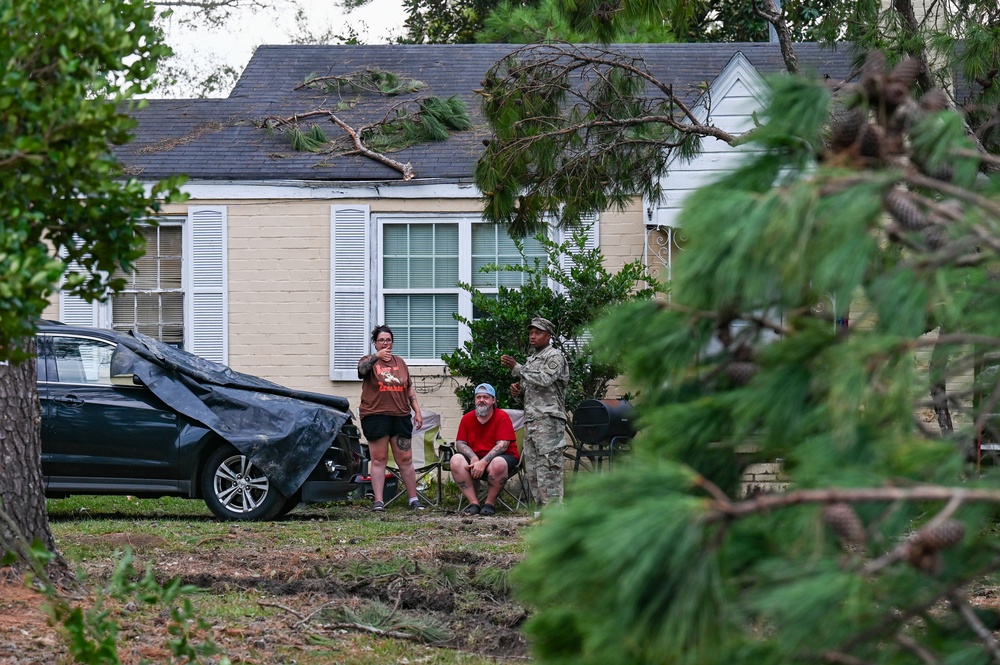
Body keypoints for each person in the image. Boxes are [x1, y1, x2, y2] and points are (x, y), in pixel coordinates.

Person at [501, 316, 569, 508]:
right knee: (532, 468)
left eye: (538, 333)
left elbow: (546, 379)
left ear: (548, 335)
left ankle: (554, 513)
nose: (533, 336)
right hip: (531, 421)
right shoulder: (532, 360)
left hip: (549, 420)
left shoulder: (554, 356)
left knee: (549, 467)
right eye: (531, 333)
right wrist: (518, 392)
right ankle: (540, 512)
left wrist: (516, 368)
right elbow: (531, 390)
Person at [357, 325, 425, 512]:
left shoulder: (400, 362)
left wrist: (417, 411)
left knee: (406, 458)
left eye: (388, 340)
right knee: (379, 459)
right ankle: (379, 501)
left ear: (392, 342)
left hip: (400, 415)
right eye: (381, 340)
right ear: (375, 343)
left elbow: (408, 388)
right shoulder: (368, 361)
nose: (385, 343)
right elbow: (362, 370)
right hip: (375, 415)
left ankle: (413, 499)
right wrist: (376, 358)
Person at [450, 383, 519, 516]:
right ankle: (474, 503)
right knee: (456, 459)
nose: (481, 400)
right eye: (478, 397)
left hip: (502, 459)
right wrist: (474, 458)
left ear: (493, 400)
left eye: (486, 397)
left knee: (498, 462)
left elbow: (503, 445)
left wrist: (483, 462)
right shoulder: (467, 418)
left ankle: (489, 503)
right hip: (475, 460)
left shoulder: (502, 416)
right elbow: (460, 444)